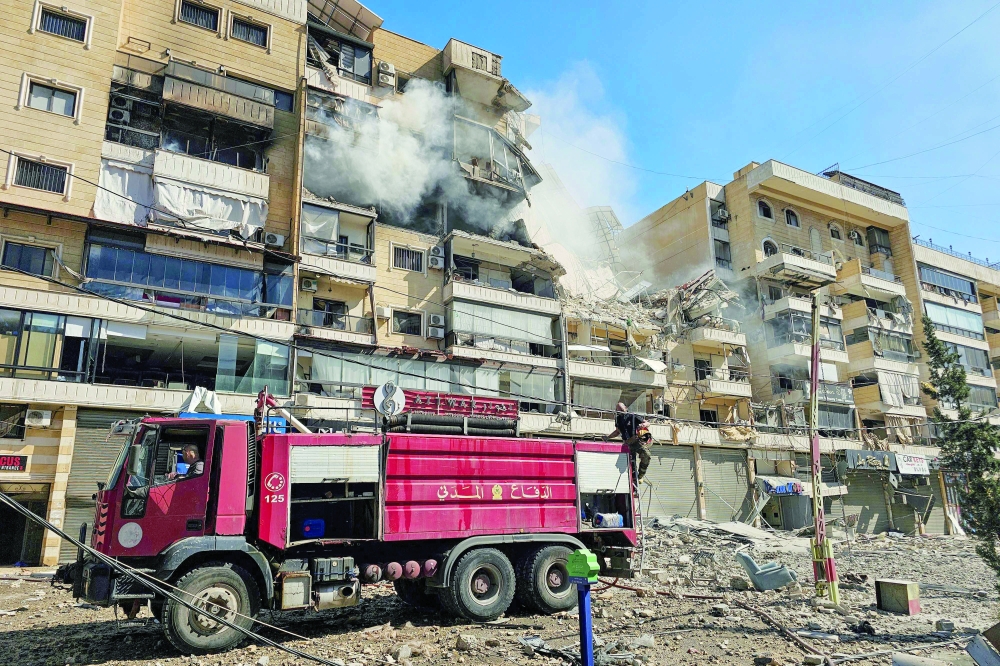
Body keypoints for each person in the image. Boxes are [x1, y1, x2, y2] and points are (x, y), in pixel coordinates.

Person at [606, 402, 653, 481]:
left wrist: (644, 425)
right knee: (626, 464)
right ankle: (631, 477)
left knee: (646, 455)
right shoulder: (618, 419)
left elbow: (647, 423)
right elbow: (617, 432)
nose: (620, 411)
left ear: (626, 408)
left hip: (636, 442)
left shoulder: (633, 416)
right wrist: (608, 437)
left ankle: (641, 475)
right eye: (618, 410)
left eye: (622, 409)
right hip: (627, 444)